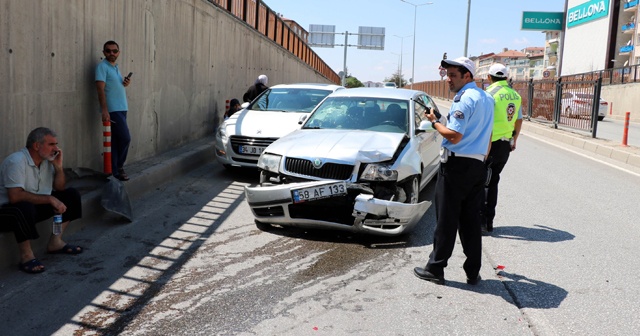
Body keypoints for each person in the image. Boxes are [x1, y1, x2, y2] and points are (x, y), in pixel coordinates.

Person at [413, 56, 494, 286]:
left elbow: (455, 137)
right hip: (476, 165)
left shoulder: (463, 99)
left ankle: (436, 268)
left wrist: (433, 123)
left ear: (467, 76)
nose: (448, 80)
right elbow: (484, 133)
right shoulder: (486, 98)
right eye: (447, 75)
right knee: (470, 222)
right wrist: (440, 118)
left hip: (456, 166)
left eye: (452, 75)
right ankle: (472, 272)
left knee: (446, 220)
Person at [0, 127, 83, 274]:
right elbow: (15, 196)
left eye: (56, 144)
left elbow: (60, 187)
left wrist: (58, 168)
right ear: (37, 145)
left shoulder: (46, 161)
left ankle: (55, 242)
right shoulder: (16, 161)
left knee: (70, 195)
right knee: (24, 208)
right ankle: (26, 256)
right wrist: (50, 199)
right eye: (51, 144)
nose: (56, 149)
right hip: (7, 211)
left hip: (31, 207)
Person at [483, 63, 522, 232]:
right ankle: (488, 221)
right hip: (505, 145)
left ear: (489, 78)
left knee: (482, 183)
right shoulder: (515, 95)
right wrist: (514, 139)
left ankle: (482, 223)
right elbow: (518, 120)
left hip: (489, 145)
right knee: (493, 181)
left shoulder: (489, 94)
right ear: (506, 78)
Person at [96, 40, 132, 181]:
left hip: (122, 108)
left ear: (119, 52)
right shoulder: (102, 67)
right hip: (113, 110)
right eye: (108, 50)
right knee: (125, 138)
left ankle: (115, 171)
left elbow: (113, 87)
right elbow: (100, 89)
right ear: (104, 52)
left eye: (114, 51)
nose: (112, 53)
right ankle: (119, 167)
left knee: (117, 141)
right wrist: (105, 110)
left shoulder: (115, 67)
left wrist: (125, 83)